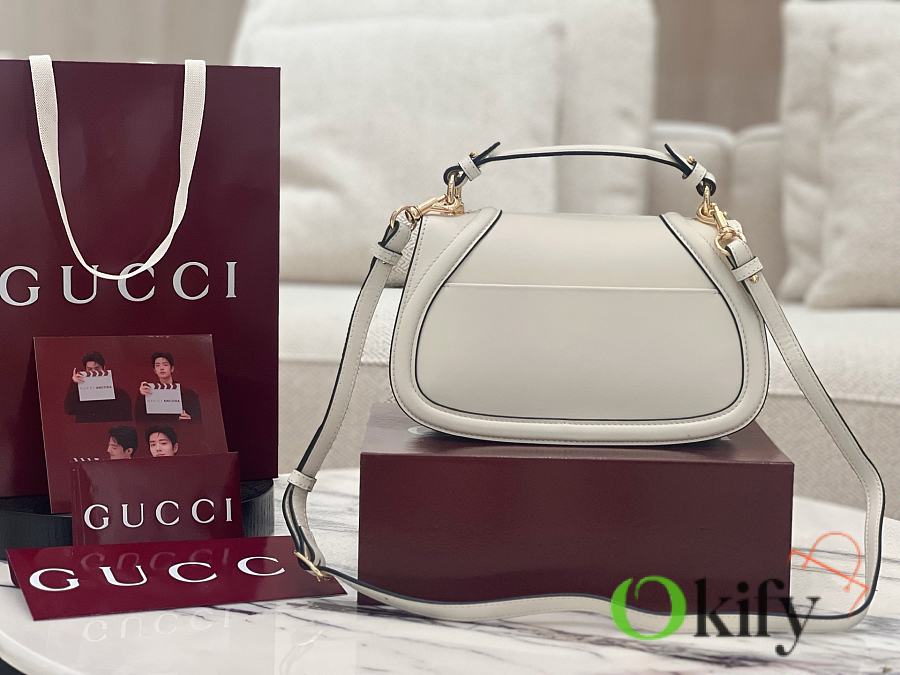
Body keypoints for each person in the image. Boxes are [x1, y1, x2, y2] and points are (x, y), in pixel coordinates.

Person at [64, 351, 132, 423]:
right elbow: (69, 410)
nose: (93, 372)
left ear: (104, 368)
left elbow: (126, 418)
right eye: (89, 369)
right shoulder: (78, 394)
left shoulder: (121, 395)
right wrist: (74, 384)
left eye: (97, 368)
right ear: (85, 370)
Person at [136, 351, 202, 422]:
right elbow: (139, 418)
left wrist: (190, 420)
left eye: (165, 365)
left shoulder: (189, 394)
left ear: (172, 368)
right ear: (155, 370)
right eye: (157, 365)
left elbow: (198, 420)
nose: (161, 368)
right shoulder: (148, 392)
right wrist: (141, 395)